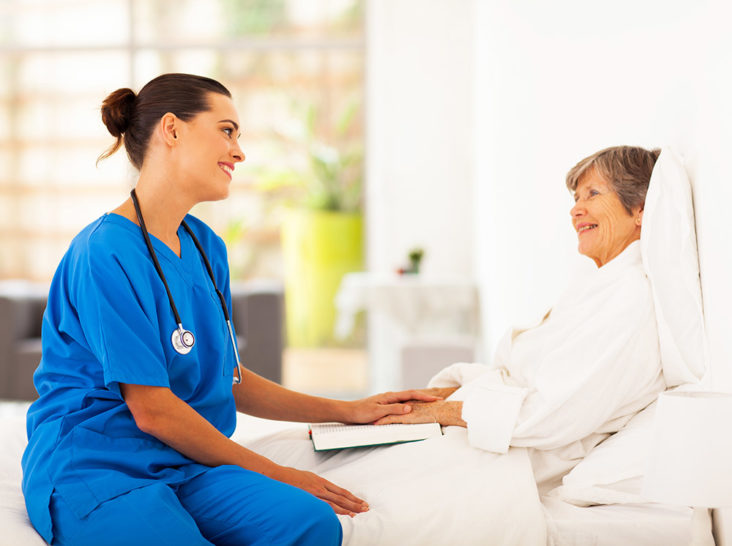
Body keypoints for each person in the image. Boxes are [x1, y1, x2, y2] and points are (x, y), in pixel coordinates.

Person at [21, 73, 437, 546]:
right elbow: (153, 411)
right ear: (172, 130)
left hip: (183, 461)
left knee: (312, 524)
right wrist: (279, 472)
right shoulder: (103, 254)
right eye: (226, 130)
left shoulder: (205, 246)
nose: (239, 151)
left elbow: (228, 376)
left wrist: (347, 410)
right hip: (99, 465)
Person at [375, 145, 667, 490]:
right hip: (487, 428)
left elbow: (550, 415)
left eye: (593, 193)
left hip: (513, 459)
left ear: (640, 210)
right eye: (575, 197)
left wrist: (440, 412)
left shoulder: (629, 301)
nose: (575, 210)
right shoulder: (599, 285)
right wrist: (437, 396)